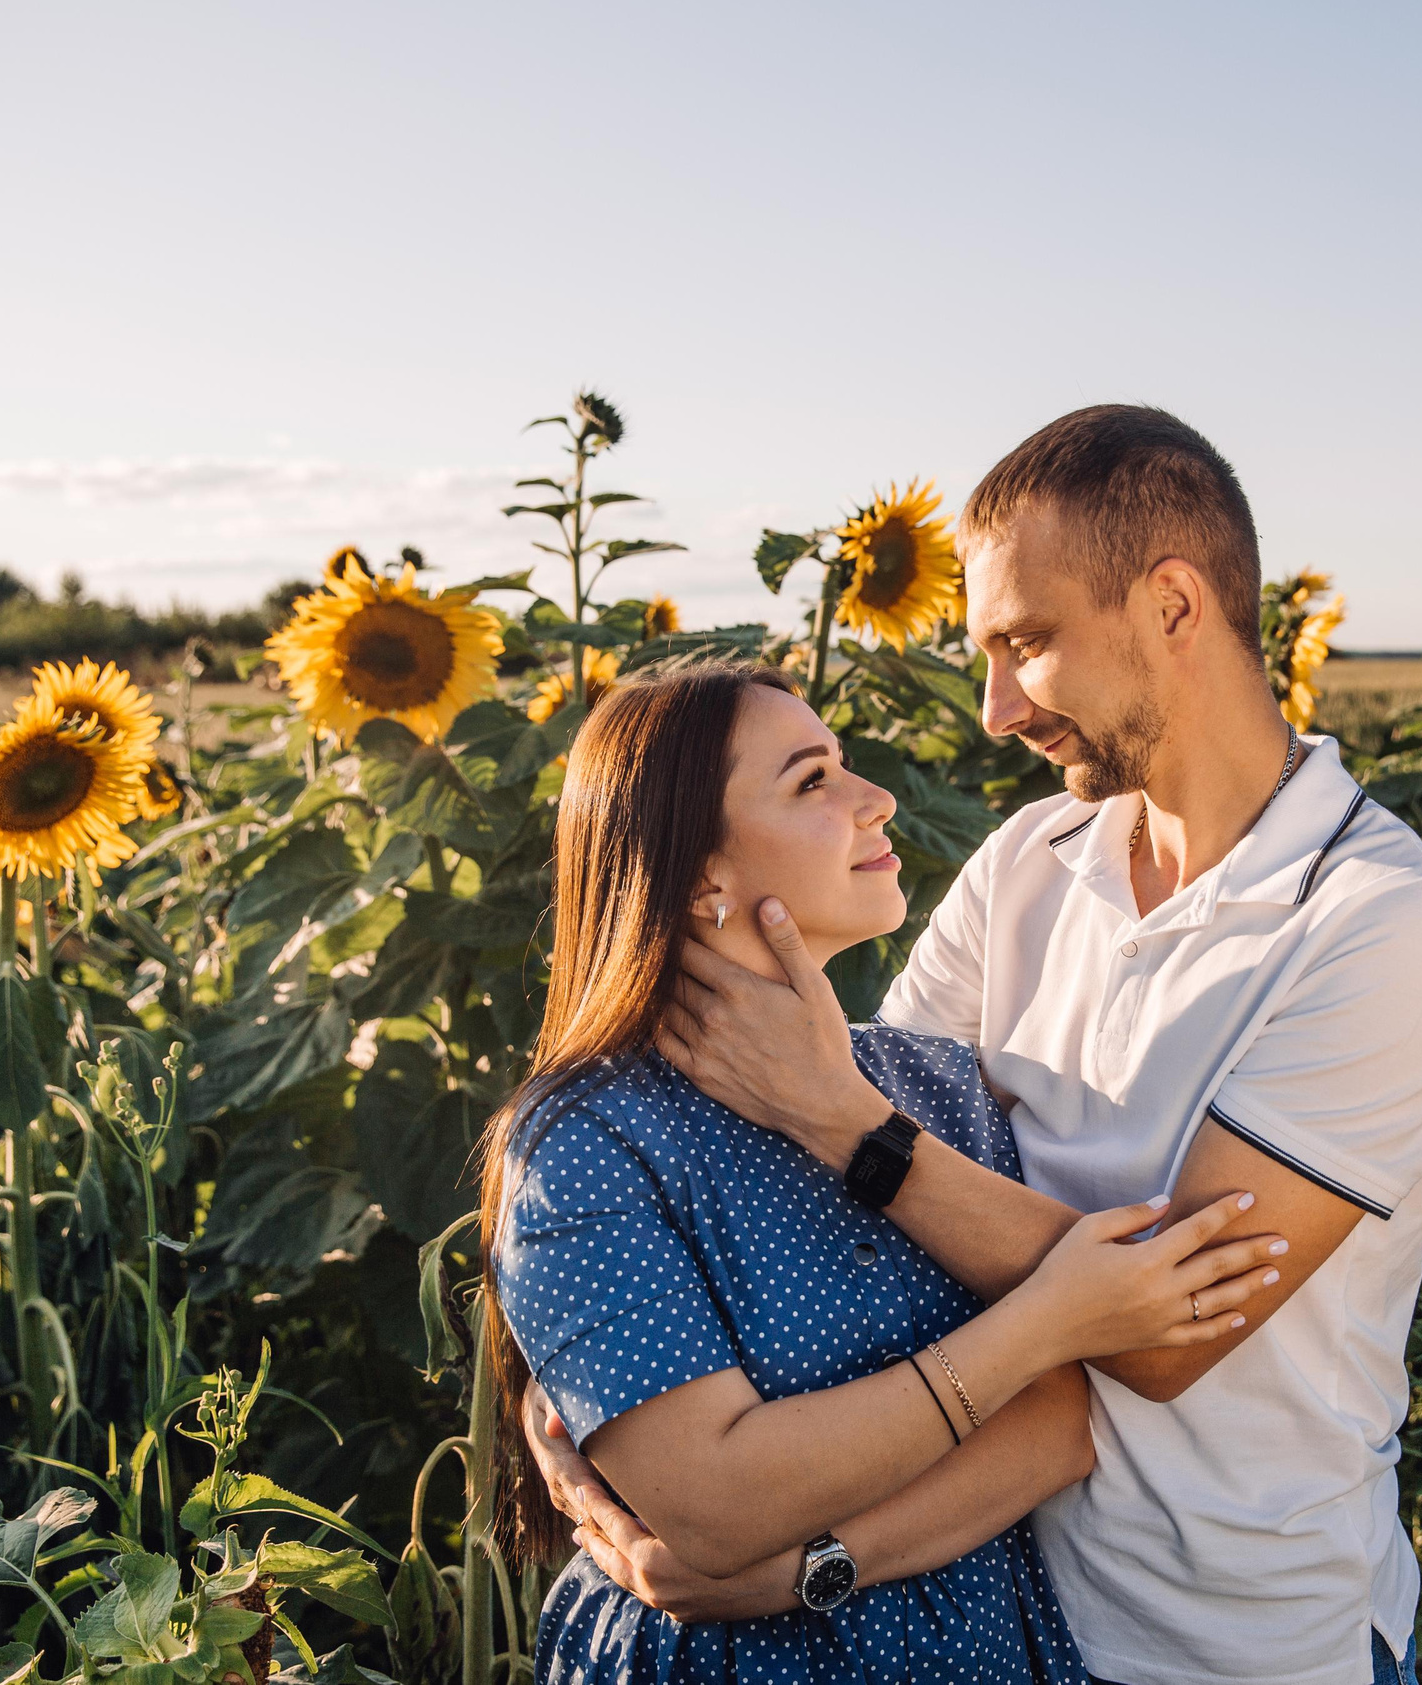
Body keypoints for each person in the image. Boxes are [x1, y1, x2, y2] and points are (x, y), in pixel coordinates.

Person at [543, 407, 1422, 1685]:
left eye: (1026, 645)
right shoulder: (1029, 865)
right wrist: (600, 1389)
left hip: (1235, 1634)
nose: (993, 710)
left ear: (1172, 605)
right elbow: (868, 1205)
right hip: (988, 1604)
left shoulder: (1383, 924)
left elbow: (1162, 1333)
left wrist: (845, 1126)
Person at [479, 660, 1291, 1685]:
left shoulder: (936, 1083)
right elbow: (714, 1502)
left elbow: (1061, 1425)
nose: (877, 800)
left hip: (979, 1652)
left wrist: (812, 1564)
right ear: (699, 879)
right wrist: (1043, 1321)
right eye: (812, 781)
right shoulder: (590, 1142)